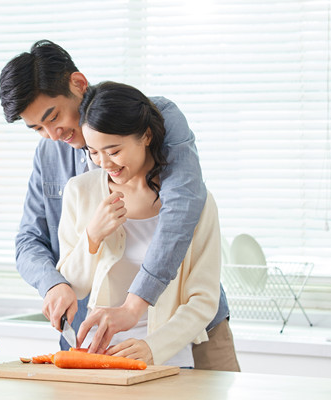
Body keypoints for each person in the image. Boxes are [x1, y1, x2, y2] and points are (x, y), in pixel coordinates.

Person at [0, 40, 240, 371]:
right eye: (37, 129)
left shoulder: (155, 118)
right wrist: (54, 284)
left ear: (78, 84)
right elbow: (30, 240)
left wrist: (134, 308)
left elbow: (184, 207)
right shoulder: (62, 169)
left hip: (189, 334)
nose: (52, 135)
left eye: (52, 117)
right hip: (96, 337)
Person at [56, 81, 221, 367]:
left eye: (114, 150)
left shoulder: (197, 203)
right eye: (93, 152)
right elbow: (75, 287)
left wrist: (152, 347)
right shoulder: (80, 191)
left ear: (145, 136)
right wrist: (92, 237)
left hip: (166, 358)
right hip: (98, 358)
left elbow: (203, 299)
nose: (104, 163)